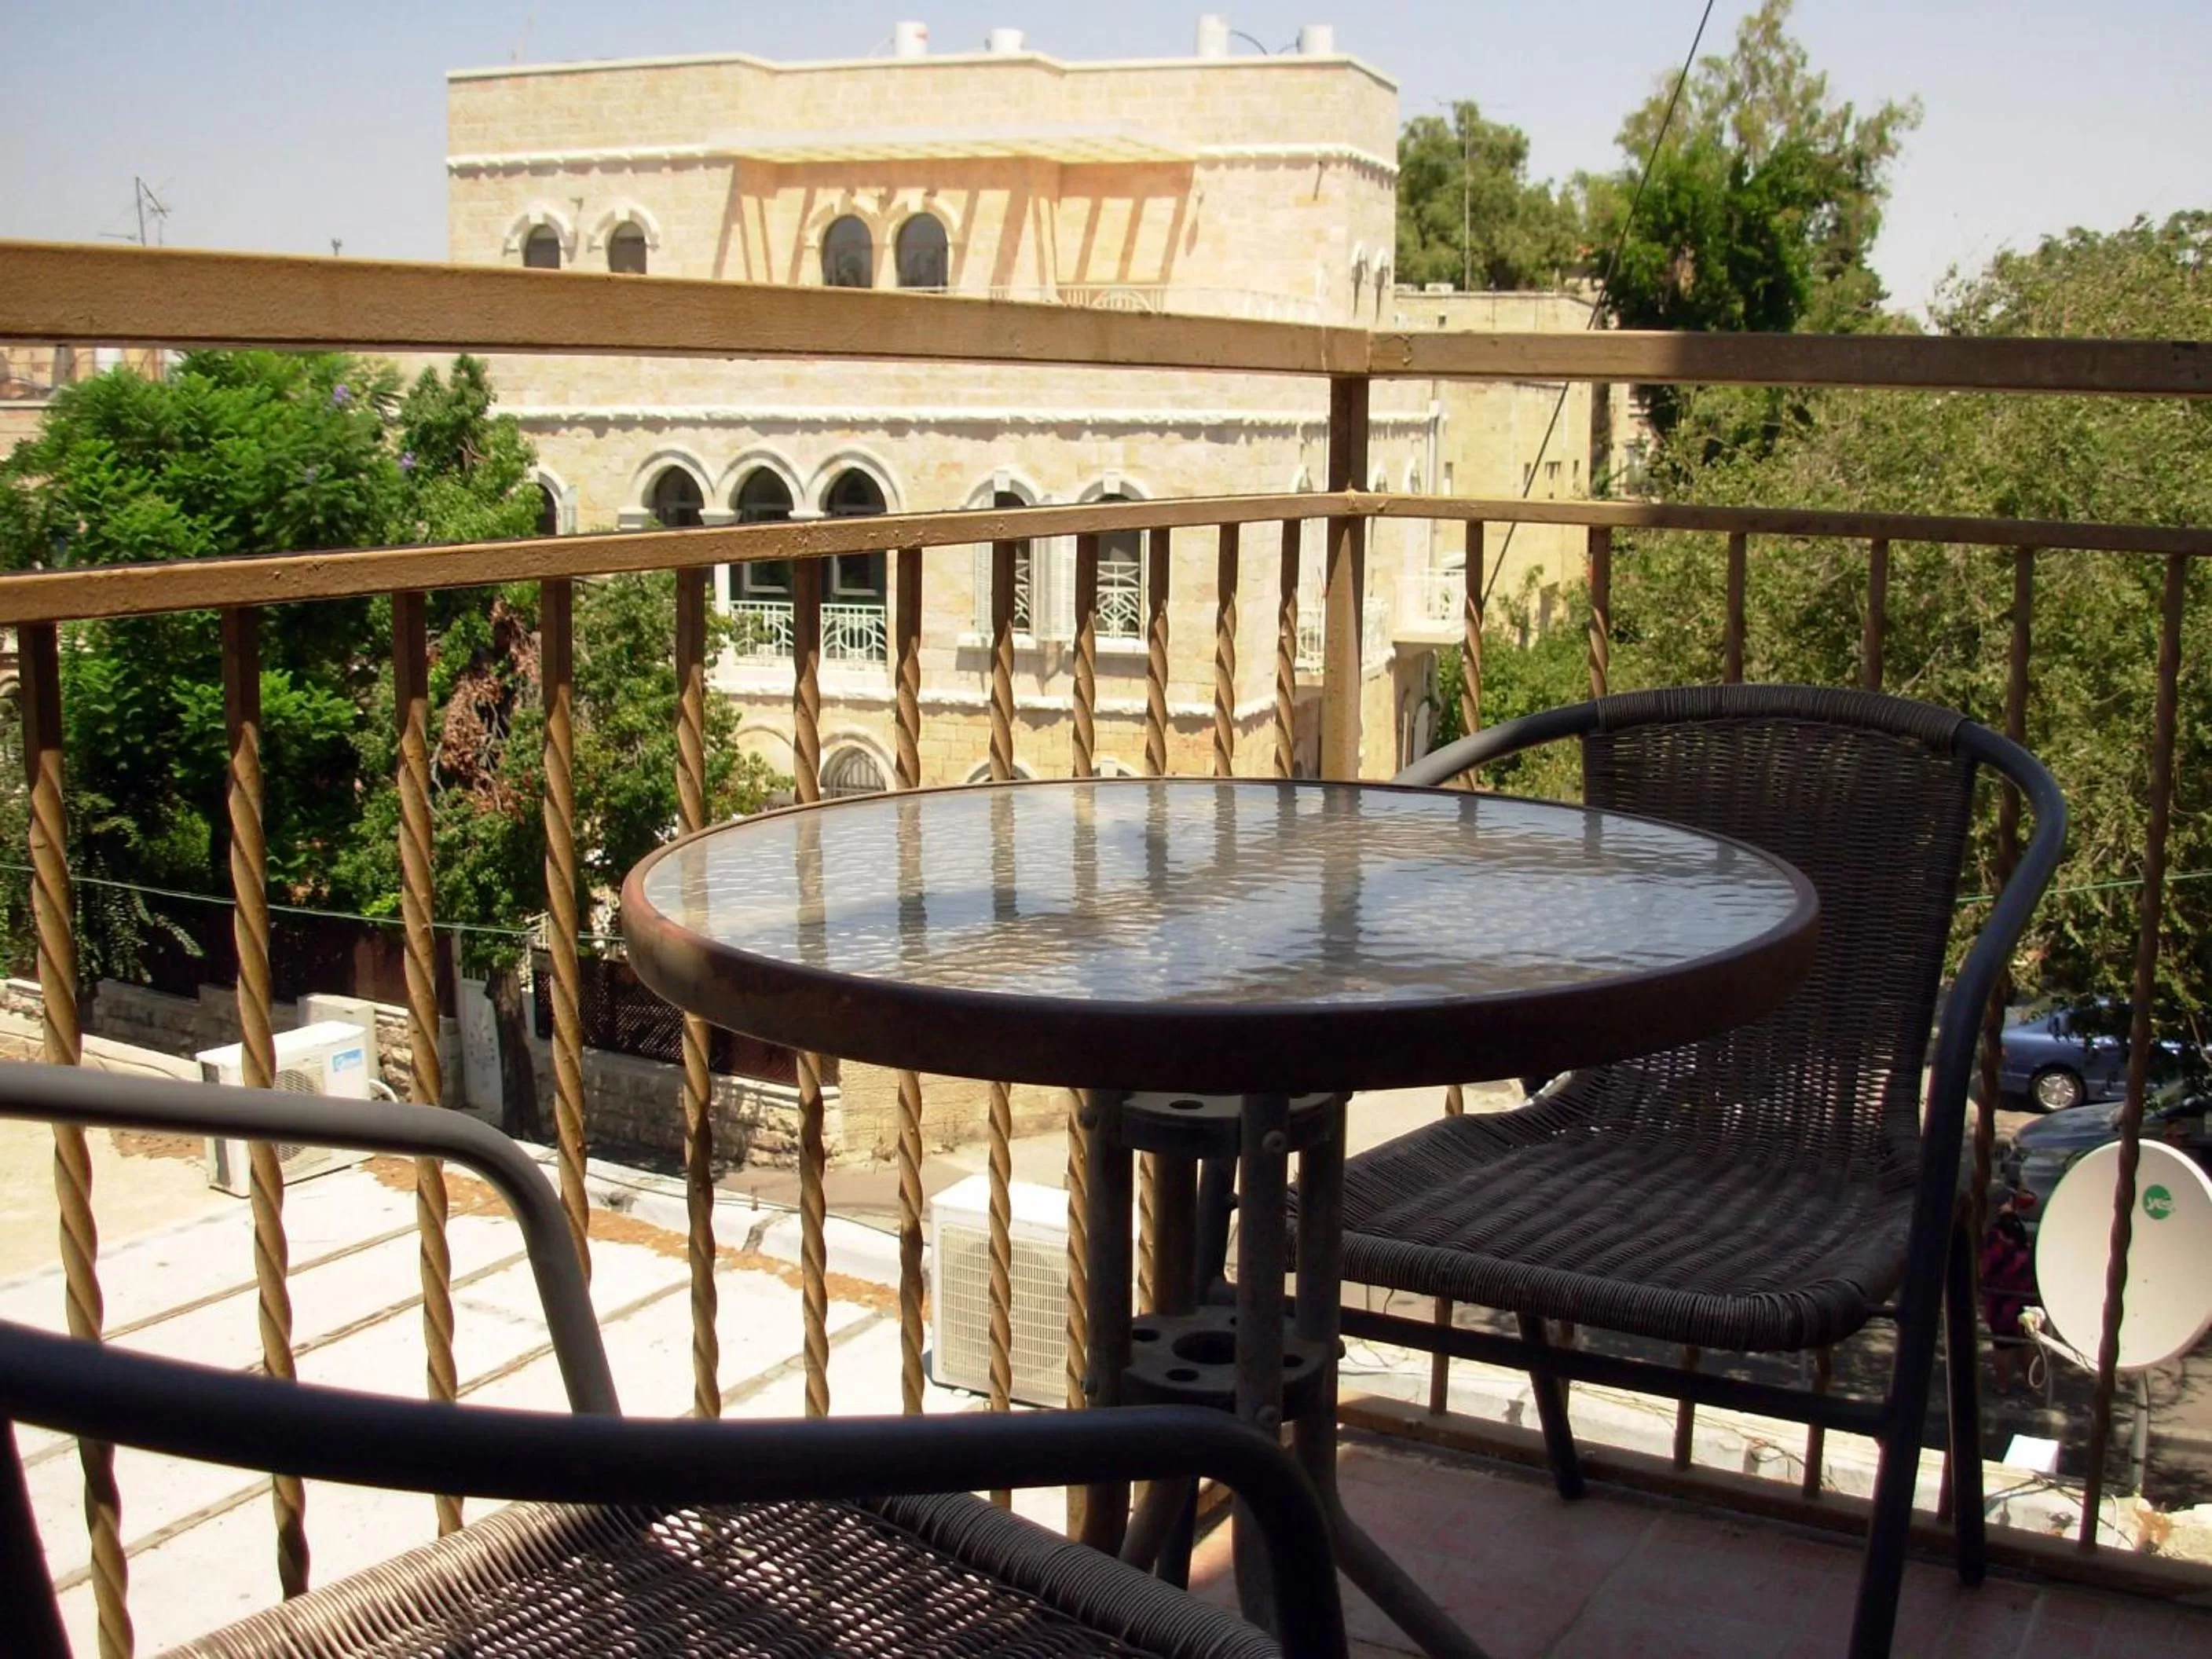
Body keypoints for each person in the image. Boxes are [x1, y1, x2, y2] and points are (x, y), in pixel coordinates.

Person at [1980, 1191, 2039, 1393]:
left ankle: (2003, 1385)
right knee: (2024, 1340)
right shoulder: (2014, 1235)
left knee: (2005, 1343)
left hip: (2002, 1298)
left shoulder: (1995, 1237)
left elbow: (1986, 1267)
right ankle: (2028, 1383)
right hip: (2019, 1295)